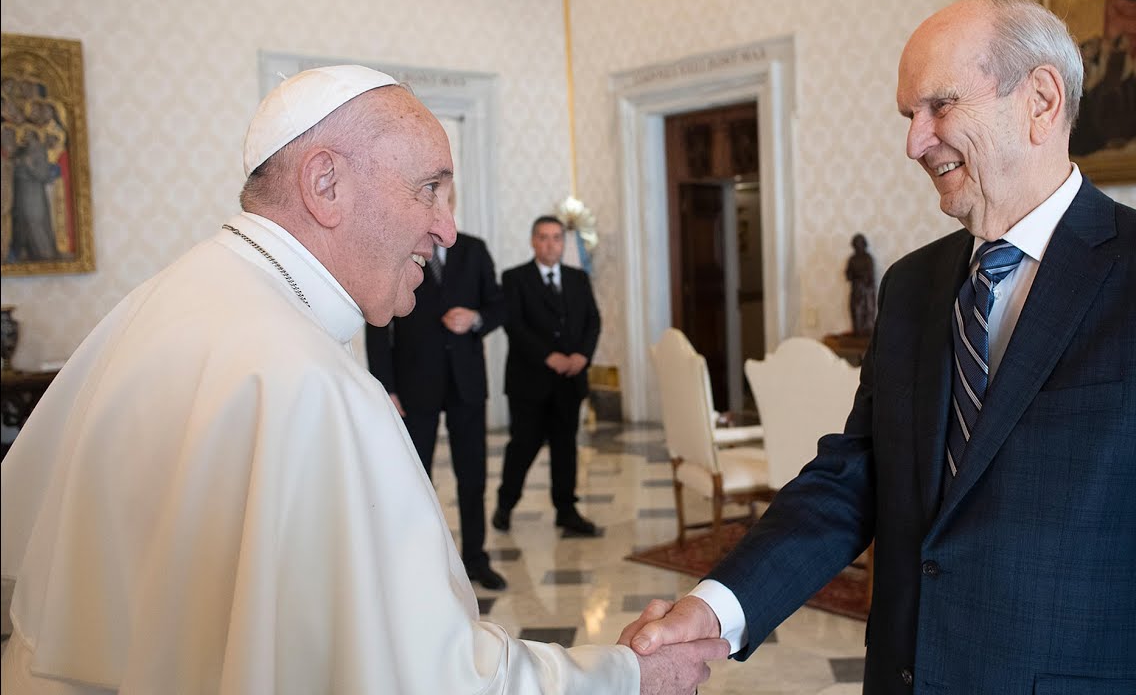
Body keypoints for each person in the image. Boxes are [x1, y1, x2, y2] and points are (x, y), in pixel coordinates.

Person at [624, 0, 1136, 694]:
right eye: (909, 115)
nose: (915, 140)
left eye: (939, 105)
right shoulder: (911, 287)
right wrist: (715, 609)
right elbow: (854, 480)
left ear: (1041, 100)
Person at [0, 65, 727, 694]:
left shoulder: (169, 296)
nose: (447, 228)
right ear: (325, 182)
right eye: (430, 189)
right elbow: (437, 676)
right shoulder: (308, 382)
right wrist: (631, 676)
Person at [365, 186, 508, 591]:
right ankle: (419, 563)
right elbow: (378, 322)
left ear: (454, 205)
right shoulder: (398, 248)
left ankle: (476, 559)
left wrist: (476, 318)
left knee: (472, 475)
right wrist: (385, 385)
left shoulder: (475, 251)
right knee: (416, 477)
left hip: (466, 382)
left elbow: (499, 306)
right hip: (414, 384)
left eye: (446, 200)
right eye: (431, 198)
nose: (439, 207)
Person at [493, 215, 602, 537]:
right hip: (529, 382)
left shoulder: (578, 278)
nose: (550, 244)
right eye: (543, 237)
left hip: (570, 380)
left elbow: (593, 321)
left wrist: (582, 355)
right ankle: (506, 503)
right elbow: (513, 324)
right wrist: (548, 356)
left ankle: (566, 511)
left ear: (563, 243)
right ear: (533, 241)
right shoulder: (514, 278)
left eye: (556, 238)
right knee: (523, 446)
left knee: (565, 447)